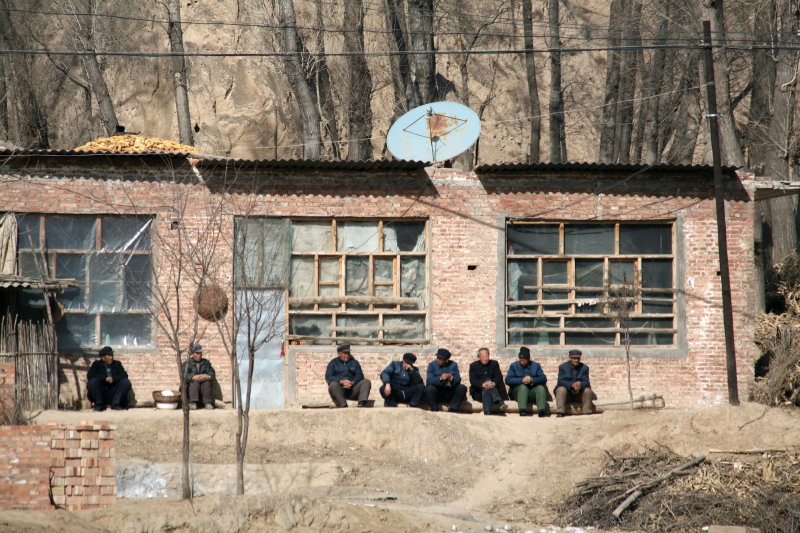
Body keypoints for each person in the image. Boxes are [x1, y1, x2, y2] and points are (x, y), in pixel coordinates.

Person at [505, 346, 548, 417]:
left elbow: (543, 379)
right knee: (523, 387)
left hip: (531, 391)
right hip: (518, 392)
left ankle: (541, 410)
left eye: (524, 360)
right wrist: (521, 380)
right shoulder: (514, 366)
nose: (522, 362)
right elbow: (508, 380)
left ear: (528, 359)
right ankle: (522, 409)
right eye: (520, 359)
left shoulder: (536, 366)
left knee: (540, 388)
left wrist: (532, 379)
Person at [87, 346, 132, 411]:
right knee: (93, 381)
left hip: (114, 392)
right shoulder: (96, 364)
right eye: (109, 355)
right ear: (103, 358)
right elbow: (90, 375)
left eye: (112, 355)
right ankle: (99, 404)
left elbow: (124, 375)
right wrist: (105, 378)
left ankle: (116, 404)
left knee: (126, 382)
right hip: (101, 391)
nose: (111, 357)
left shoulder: (117, 364)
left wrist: (113, 379)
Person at [424, 348, 467, 413]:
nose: (438, 360)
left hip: (449, 392)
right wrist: (440, 378)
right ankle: (434, 408)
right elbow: (429, 381)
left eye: (440, 359)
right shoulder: (432, 365)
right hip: (437, 393)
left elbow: (458, 380)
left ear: (446, 360)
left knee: (462, 388)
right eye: (437, 357)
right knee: (429, 388)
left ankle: (453, 408)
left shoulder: (453, 365)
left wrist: (451, 377)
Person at [468, 347, 508, 415]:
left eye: (487, 356)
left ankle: (487, 412)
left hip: (493, 389)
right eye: (483, 357)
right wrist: (482, 384)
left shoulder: (494, 364)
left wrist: (493, 383)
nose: (486, 359)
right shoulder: (473, 366)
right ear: (479, 357)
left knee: (487, 389)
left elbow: (499, 377)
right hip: (479, 392)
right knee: (485, 389)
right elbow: (473, 380)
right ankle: (499, 402)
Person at [554, 349, 594, 417]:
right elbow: (560, 381)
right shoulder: (563, 367)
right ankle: (560, 411)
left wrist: (580, 384)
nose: (576, 360)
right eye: (574, 358)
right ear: (570, 358)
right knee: (561, 389)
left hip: (579, 394)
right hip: (567, 394)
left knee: (588, 390)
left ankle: (586, 411)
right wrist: (571, 385)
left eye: (578, 358)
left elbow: (586, 382)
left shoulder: (584, 368)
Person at [182, 344, 216, 410]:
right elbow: (185, 376)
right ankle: (193, 402)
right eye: (197, 353)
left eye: (200, 353)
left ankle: (207, 403)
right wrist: (193, 377)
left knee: (207, 383)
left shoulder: (206, 363)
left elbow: (212, 374)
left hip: (203, 387)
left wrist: (205, 376)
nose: (199, 355)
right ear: (192, 354)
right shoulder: (187, 363)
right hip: (191, 389)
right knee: (194, 382)